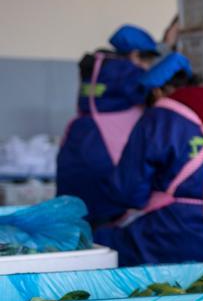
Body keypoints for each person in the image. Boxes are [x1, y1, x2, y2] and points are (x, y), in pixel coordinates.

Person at [94, 53, 203, 266]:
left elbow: (130, 191)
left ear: (157, 91)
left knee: (100, 242)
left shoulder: (159, 117)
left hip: (173, 232)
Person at [56, 24, 162, 225]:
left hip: (77, 142)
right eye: (148, 60)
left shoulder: (97, 67)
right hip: (105, 147)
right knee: (108, 211)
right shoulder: (127, 72)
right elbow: (150, 92)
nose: (147, 66)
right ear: (135, 54)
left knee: (78, 211)